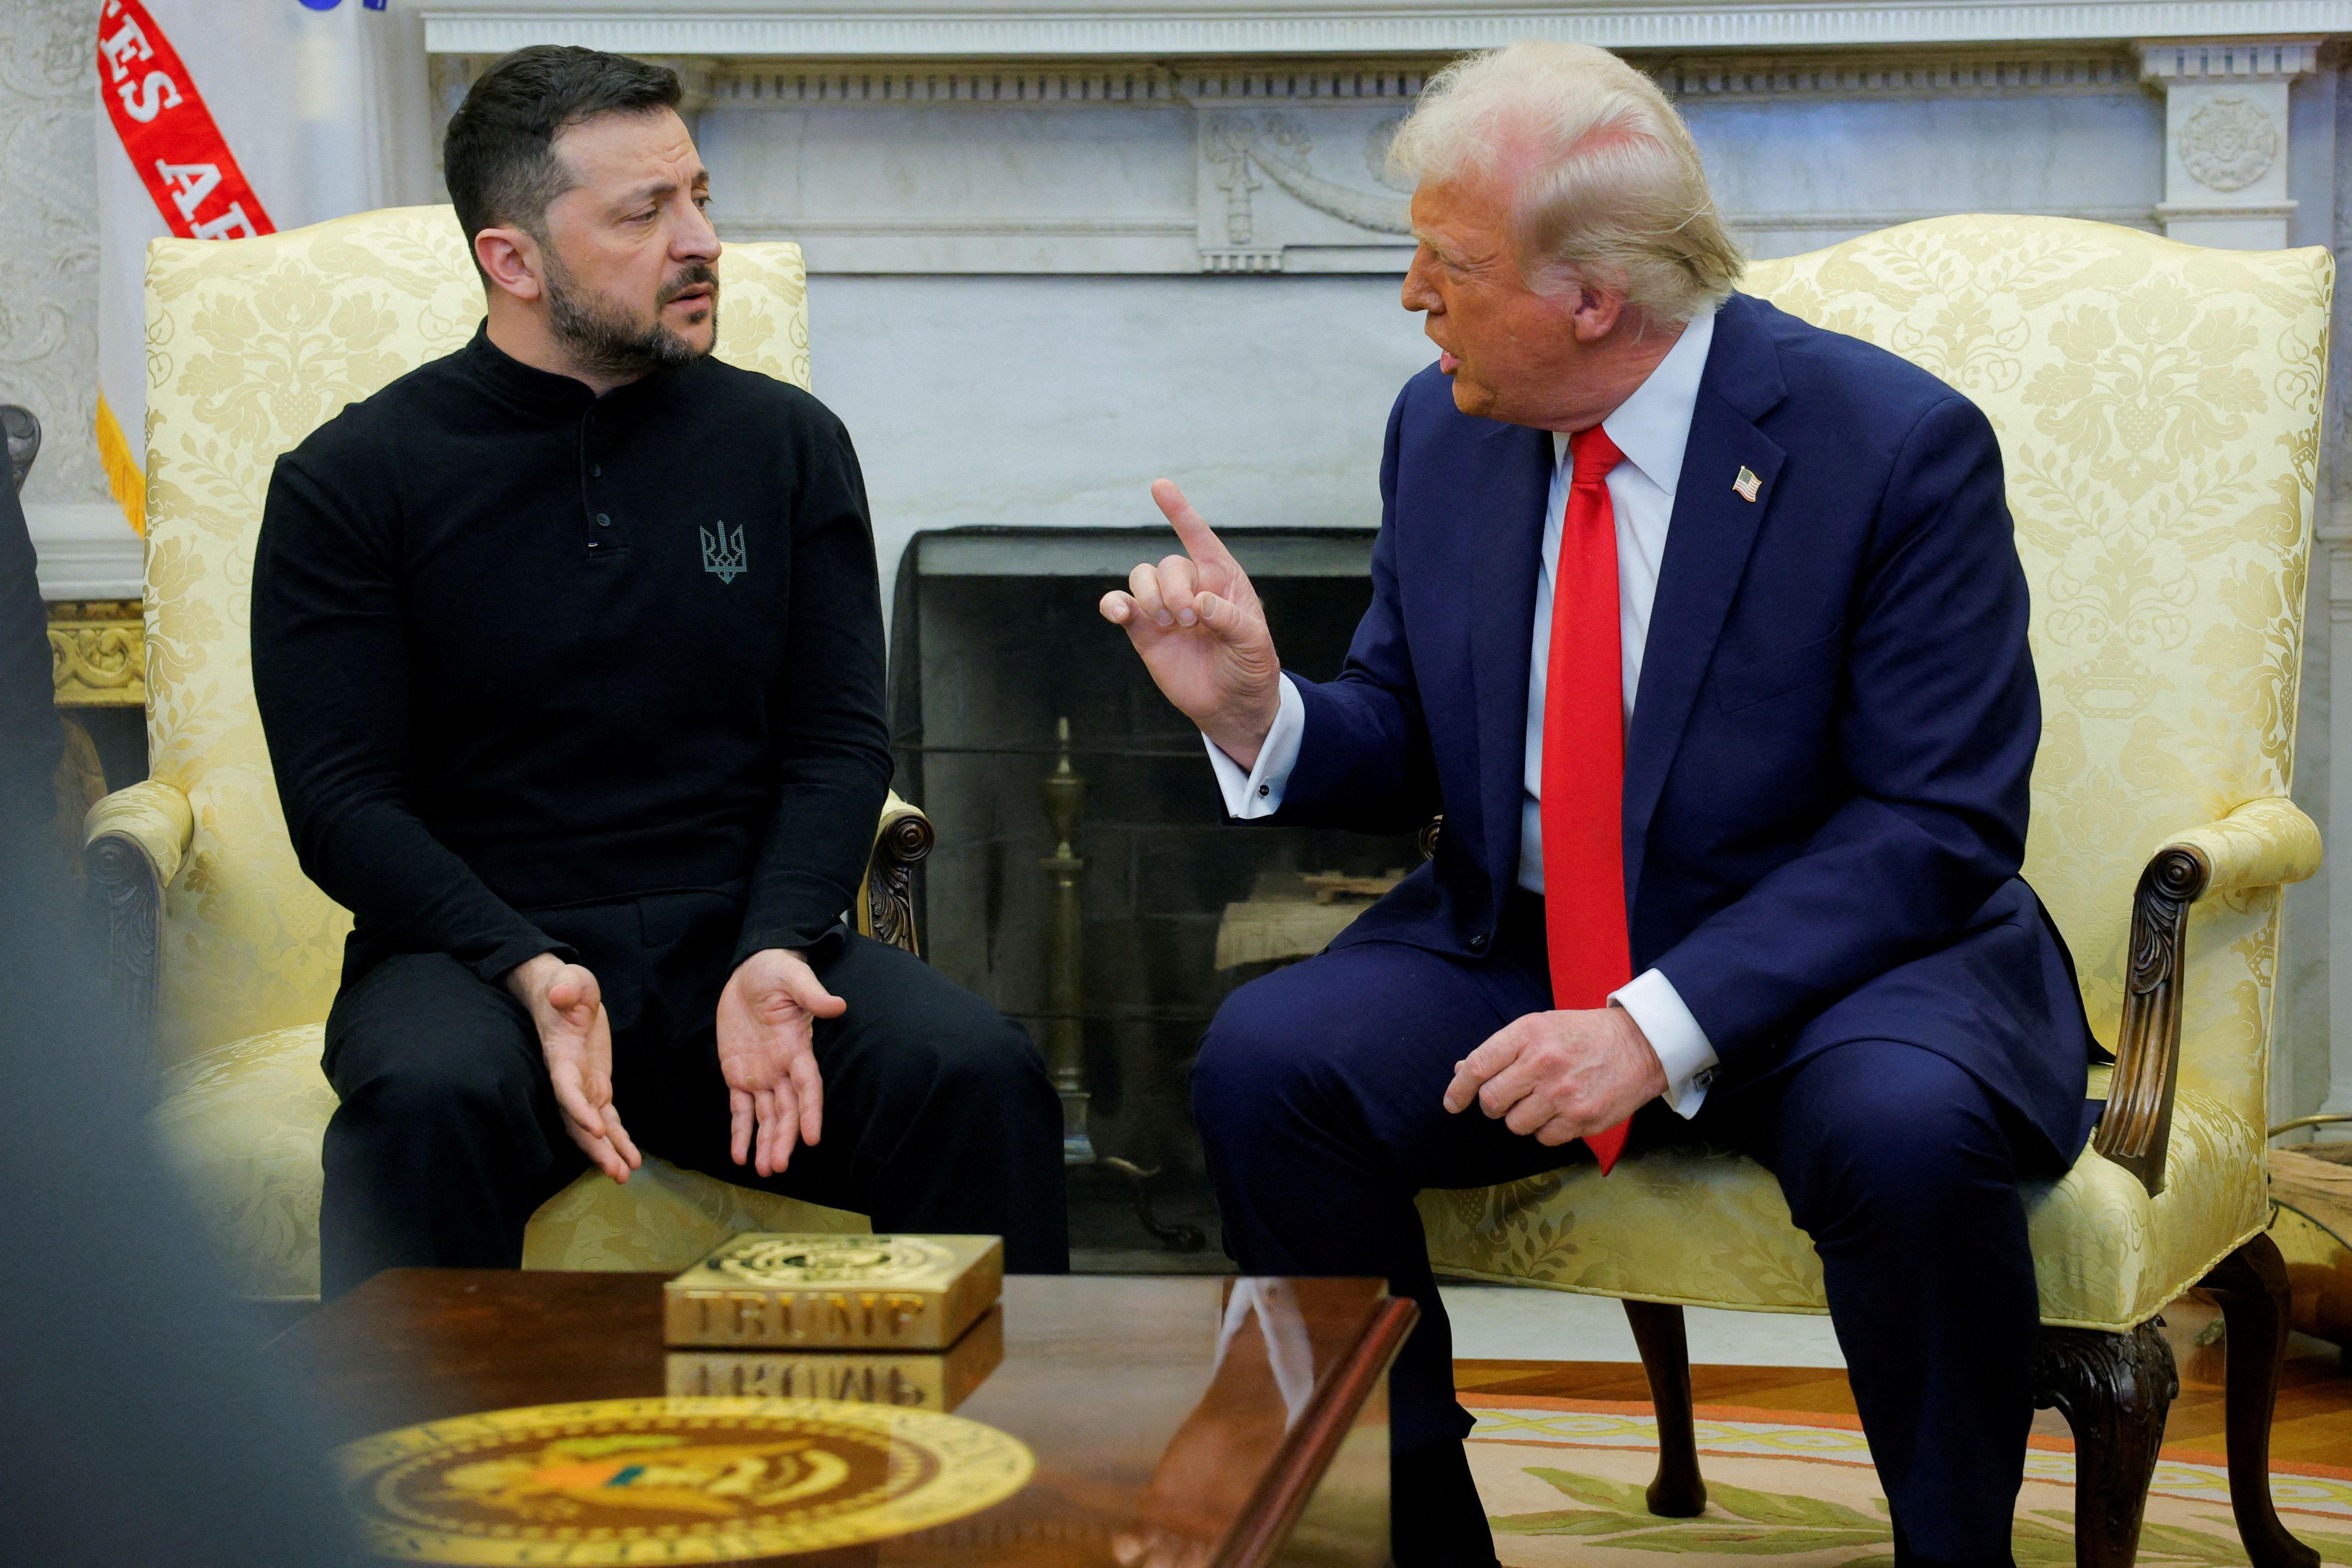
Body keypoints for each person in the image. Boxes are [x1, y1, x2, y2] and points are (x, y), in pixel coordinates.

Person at [1102, 41, 2096, 1568]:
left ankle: (1956, 1551)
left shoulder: (1892, 447)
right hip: (1535, 936)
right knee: (1269, 1066)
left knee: (1903, 1132)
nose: (1413, 297)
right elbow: (1412, 741)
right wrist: (1262, 711)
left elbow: (1936, 824)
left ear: (1593, 296)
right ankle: (1415, 1543)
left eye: (1448, 261)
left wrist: (1655, 1022)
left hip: (1849, 963)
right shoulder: (1447, 426)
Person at [253, 45, 1066, 1298]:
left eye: (699, 197)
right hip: (478, 965)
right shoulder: (350, 482)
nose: (701, 242)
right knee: (422, 1103)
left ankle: (1001, 1482)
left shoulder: (786, 446)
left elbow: (839, 743)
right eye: (644, 213)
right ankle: (401, 1493)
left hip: (733, 948)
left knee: (976, 1074)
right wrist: (526, 965)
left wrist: (777, 945)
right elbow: (343, 802)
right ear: (512, 260)